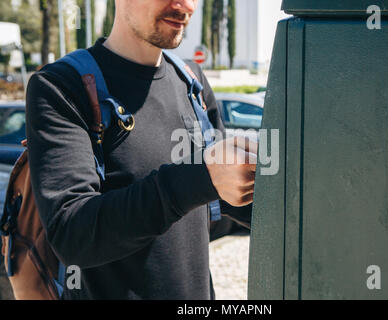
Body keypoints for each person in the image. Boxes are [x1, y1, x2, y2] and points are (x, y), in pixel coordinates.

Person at [25, 0, 256, 299]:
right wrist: (200, 177)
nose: (186, 5)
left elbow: (221, 200)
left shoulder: (192, 82)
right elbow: (72, 235)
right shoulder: (62, 86)